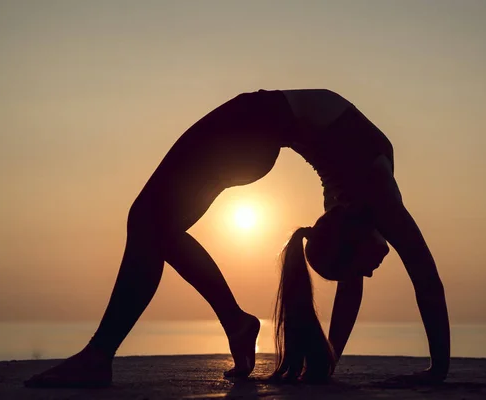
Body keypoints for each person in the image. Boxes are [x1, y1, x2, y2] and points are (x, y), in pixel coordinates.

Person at [24, 89, 450, 388]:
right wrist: (438, 369)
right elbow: (426, 280)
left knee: (149, 222)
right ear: (353, 241)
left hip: (254, 130)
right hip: (254, 126)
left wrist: (329, 360)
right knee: (153, 225)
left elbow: (351, 285)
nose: (372, 274)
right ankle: (231, 324)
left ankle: (106, 354)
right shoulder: (377, 199)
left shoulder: (350, 214)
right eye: (364, 268)